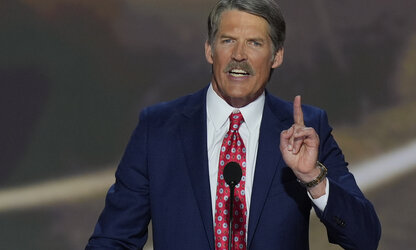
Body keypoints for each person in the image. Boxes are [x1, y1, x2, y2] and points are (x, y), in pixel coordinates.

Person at [86, 0, 381, 249]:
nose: (239, 55)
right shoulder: (158, 128)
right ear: (209, 50)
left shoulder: (306, 128)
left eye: (254, 43)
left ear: (277, 55)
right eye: (228, 40)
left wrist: (313, 178)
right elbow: (113, 240)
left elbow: (364, 238)